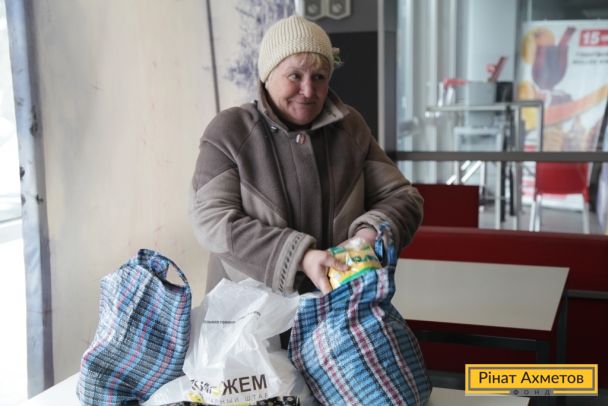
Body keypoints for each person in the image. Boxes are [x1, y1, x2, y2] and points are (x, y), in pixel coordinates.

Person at [190, 15, 423, 297]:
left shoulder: (350, 128)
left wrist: (368, 235)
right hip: (249, 312)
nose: (308, 91)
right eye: (295, 76)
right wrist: (299, 257)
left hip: (340, 305)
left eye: (319, 77)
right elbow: (212, 220)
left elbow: (403, 198)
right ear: (267, 75)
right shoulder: (229, 131)